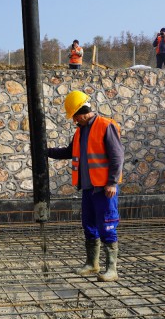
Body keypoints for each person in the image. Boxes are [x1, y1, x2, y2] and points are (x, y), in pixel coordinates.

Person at [47, 91, 124, 282]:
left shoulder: (106, 126)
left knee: (107, 225)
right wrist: (45, 151)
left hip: (104, 188)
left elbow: (117, 156)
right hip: (89, 188)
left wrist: (112, 182)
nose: (73, 120)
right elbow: (68, 151)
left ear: (81, 113)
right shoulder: (80, 131)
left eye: (74, 116)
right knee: (89, 225)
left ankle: (112, 269)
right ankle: (92, 264)